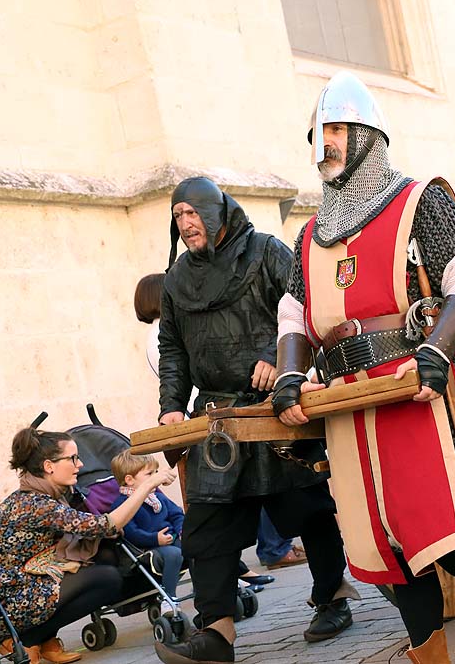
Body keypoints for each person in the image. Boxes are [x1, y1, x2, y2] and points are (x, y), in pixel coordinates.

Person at [274, 71, 455, 662]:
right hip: (346, 406)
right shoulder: (311, 235)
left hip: (410, 388)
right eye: (321, 132)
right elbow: (294, 314)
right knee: (383, 547)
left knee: (437, 529)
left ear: (370, 134)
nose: (327, 143)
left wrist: (436, 352)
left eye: (338, 129)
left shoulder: (420, 201)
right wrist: (291, 373)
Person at [153, 176, 354, 664]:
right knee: (206, 524)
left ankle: (333, 597)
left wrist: (277, 358)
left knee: (307, 508)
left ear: (217, 212)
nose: (187, 223)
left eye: (193, 213)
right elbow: (173, 349)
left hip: (275, 405)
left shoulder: (265, 252)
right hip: (218, 417)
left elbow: (303, 311)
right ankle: (217, 633)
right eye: (179, 216)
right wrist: (171, 404)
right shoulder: (176, 279)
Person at [0, 428, 176, 664]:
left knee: (105, 555)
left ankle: (46, 639)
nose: (80, 464)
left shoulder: (50, 495)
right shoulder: (36, 504)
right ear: (49, 466)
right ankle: (28, 639)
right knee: (107, 579)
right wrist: (147, 485)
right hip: (6, 599)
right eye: (72, 458)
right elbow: (107, 524)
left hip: (26, 580)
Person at [134, 274, 276, 590]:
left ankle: (235, 569)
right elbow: (183, 376)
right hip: (197, 423)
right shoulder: (163, 332)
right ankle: (236, 568)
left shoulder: (158, 332)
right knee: (222, 497)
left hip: (196, 421)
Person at [109, 451, 185, 613]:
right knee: (174, 554)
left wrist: (181, 529)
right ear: (129, 480)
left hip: (171, 539)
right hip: (147, 549)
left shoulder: (157, 497)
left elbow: (176, 514)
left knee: (197, 544)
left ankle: (207, 586)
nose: (156, 477)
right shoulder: (123, 505)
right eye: (150, 474)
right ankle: (169, 598)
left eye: (156, 472)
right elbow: (132, 533)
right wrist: (154, 539)